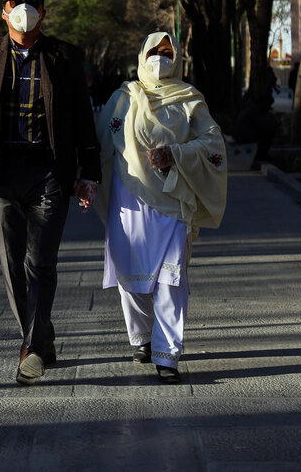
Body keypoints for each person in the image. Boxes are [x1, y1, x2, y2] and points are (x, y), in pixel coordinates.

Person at [0, 0, 101, 386]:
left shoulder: (64, 56)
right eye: (15, 2)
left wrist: (89, 173)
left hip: (49, 173)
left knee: (41, 262)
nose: (24, 8)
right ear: (3, 11)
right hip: (2, 172)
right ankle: (41, 336)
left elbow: (81, 116)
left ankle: (32, 348)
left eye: (32, 3)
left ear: (43, 11)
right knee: (12, 264)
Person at [94, 32, 227, 384]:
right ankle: (141, 339)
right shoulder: (123, 98)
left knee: (171, 278)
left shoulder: (189, 99)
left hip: (173, 200)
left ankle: (167, 355)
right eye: (154, 51)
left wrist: (177, 153)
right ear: (142, 55)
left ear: (178, 57)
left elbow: (212, 143)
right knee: (131, 274)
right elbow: (100, 145)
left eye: (167, 52)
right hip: (129, 200)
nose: (160, 57)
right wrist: (87, 181)